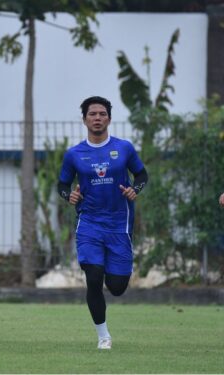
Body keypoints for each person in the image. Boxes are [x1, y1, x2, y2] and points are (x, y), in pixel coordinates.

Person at [58, 96, 148, 350]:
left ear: (109, 118)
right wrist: (69, 195)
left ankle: (113, 268)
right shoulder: (74, 154)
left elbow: (141, 174)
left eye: (101, 114)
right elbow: (62, 184)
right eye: (92, 114)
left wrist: (135, 190)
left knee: (117, 287)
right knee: (93, 276)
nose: (97, 118)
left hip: (119, 223)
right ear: (84, 119)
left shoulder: (124, 148)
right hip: (89, 222)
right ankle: (103, 336)